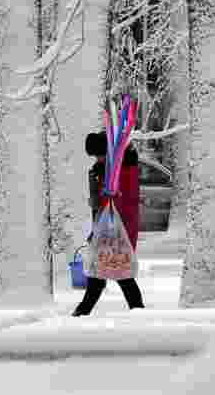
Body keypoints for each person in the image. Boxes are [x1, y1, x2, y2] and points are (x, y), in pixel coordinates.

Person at [71, 130, 145, 316]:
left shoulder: (123, 171)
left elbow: (119, 202)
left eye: (99, 155)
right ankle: (84, 311)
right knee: (106, 274)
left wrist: (101, 201)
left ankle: (83, 312)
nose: (97, 159)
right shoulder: (110, 169)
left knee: (117, 274)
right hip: (110, 228)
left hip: (117, 229)